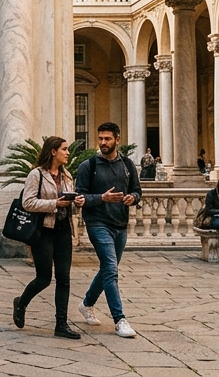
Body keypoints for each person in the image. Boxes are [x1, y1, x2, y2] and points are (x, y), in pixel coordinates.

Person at [12, 136, 84, 340]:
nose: (68, 153)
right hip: (43, 232)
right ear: (53, 152)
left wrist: (76, 201)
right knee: (44, 278)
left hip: (63, 231)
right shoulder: (37, 175)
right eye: (64, 149)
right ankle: (21, 303)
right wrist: (54, 204)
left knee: (64, 278)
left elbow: (68, 200)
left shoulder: (67, 175)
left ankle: (61, 324)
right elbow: (28, 202)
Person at [75, 122, 141, 338]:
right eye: (100, 138)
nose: (103, 143)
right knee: (111, 270)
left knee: (107, 269)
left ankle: (86, 304)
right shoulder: (89, 165)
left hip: (120, 225)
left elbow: (137, 191)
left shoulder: (127, 165)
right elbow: (80, 198)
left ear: (117, 140)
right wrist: (101, 198)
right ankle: (120, 320)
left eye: (107, 139)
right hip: (97, 223)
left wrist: (133, 198)